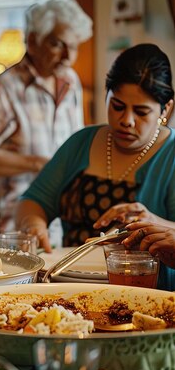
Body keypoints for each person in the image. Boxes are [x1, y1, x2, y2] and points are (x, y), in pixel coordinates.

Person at [16, 43, 175, 291]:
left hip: (145, 291)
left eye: (142, 112)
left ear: (166, 109)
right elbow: (34, 201)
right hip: (67, 283)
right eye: (117, 106)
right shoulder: (81, 143)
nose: (126, 121)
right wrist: (33, 226)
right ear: (107, 95)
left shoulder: (171, 155)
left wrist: (154, 222)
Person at [0, 0, 93, 236]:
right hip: (11, 228)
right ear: (32, 41)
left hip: (60, 224)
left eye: (74, 46)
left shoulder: (71, 82)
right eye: (57, 44)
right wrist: (37, 164)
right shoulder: (3, 88)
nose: (69, 57)